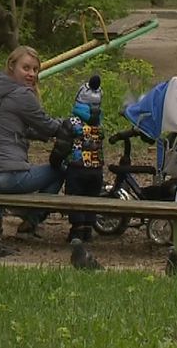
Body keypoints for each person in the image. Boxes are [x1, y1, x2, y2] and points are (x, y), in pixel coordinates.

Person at [0, 46, 64, 240]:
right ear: (12, 66)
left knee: (1, 167)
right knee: (60, 170)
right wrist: (67, 125)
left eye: (35, 69)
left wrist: (42, 136)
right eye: (26, 68)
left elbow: (12, 127)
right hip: (6, 178)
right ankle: (31, 221)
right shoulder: (22, 95)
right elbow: (48, 126)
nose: (32, 74)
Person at [49, 75, 105, 242]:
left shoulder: (71, 123)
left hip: (77, 168)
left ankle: (77, 230)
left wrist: (55, 162)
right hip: (96, 170)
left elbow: (62, 147)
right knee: (91, 198)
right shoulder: (99, 125)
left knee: (75, 198)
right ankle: (88, 229)